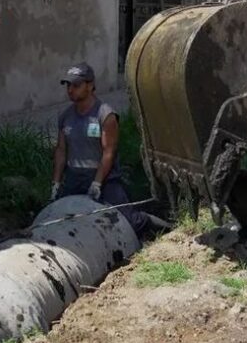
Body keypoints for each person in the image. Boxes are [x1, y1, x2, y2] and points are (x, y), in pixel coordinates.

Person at [51, 62, 165, 236]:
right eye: (68, 85)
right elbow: (61, 150)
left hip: (104, 180)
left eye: (76, 85)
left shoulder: (105, 115)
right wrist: (56, 183)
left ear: (90, 86)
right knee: (59, 217)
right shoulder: (66, 116)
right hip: (74, 179)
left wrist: (97, 184)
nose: (70, 90)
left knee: (129, 221)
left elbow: (108, 152)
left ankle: (159, 225)